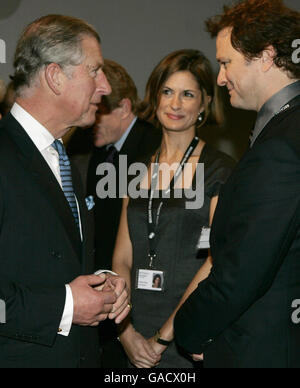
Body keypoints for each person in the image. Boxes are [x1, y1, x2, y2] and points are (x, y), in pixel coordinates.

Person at [174, 0, 300, 368]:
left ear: (265, 56)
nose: (220, 77)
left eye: (226, 62)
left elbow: (243, 271)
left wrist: (189, 328)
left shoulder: (282, 143)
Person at [0, 14, 130, 368]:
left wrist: (103, 282)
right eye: (94, 71)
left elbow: (55, 261)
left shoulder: (61, 158)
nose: (104, 86)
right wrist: (66, 306)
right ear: (55, 77)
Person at [113, 49, 235, 368]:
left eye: (187, 94)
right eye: (167, 92)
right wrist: (126, 333)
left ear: (205, 103)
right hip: (133, 336)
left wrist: (164, 337)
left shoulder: (219, 170)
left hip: (188, 338)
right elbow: (122, 258)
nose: (175, 104)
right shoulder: (135, 170)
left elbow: (215, 260)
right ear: (155, 97)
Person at [71, 59, 161, 367]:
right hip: (106, 296)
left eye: (99, 106)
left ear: (123, 107)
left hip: (143, 302)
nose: (92, 115)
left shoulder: (155, 148)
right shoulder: (99, 150)